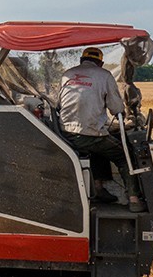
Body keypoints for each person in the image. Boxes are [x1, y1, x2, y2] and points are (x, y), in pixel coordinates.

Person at [57, 47, 140, 210]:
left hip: (65, 132)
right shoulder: (104, 76)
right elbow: (116, 108)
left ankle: (99, 188)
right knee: (125, 155)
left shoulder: (67, 74)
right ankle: (134, 199)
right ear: (100, 63)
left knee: (99, 145)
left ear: (81, 60)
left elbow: (59, 104)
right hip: (89, 134)